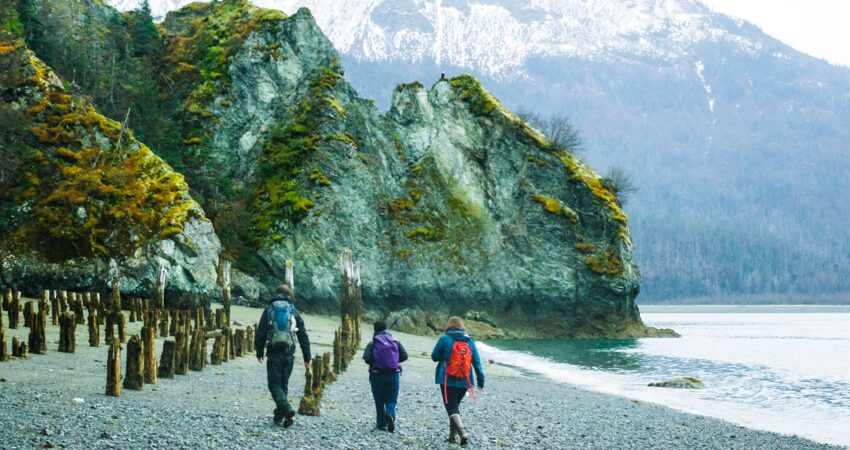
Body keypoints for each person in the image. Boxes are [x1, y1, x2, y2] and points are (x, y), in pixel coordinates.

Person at [255, 284, 311, 427]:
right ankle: (280, 417)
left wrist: (259, 352)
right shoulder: (293, 311)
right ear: (288, 296)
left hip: (274, 352)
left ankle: (286, 409)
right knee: (283, 384)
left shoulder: (269, 309)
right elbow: (303, 335)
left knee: (274, 385)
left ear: (276, 293)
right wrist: (307, 357)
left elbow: (261, 333)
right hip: (289, 353)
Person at [431, 317, 485, 446]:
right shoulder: (470, 341)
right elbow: (477, 363)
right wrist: (480, 381)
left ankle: (462, 433)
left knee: (452, 408)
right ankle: (452, 437)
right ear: (462, 327)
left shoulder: (444, 339)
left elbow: (434, 357)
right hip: (465, 381)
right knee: (454, 408)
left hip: (447, 380)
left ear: (448, 327)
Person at [363, 321, 408, 432]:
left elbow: (367, 358)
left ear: (374, 330)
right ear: (386, 329)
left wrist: (377, 361)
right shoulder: (395, 342)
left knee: (379, 400)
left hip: (377, 375)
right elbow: (404, 356)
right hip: (393, 374)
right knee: (392, 398)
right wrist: (393, 361)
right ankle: (390, 413)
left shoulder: (372, 343)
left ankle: (381, 423)